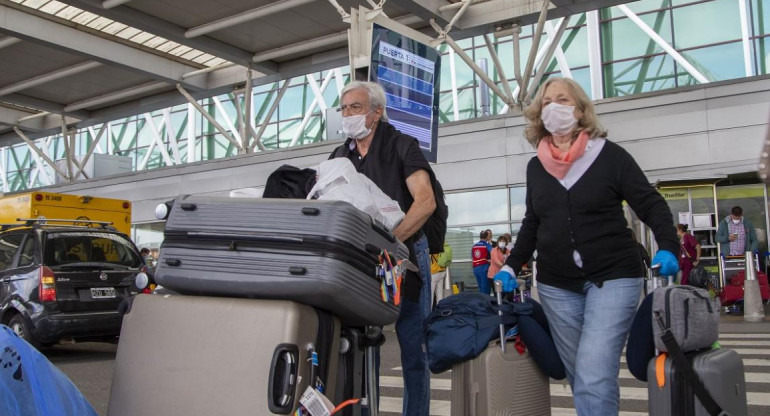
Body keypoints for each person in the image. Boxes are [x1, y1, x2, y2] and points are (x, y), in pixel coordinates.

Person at [492, 77, 679, 416]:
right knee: (582, 375)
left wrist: (668, 245)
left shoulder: (609, 157)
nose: (553, 107)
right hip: (556, 285)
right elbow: (533, 221)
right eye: (546, 102)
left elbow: (650, 204)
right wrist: (510, 264)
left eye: (561, 100)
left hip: (614, 276)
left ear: (579, 111)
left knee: (593, 372)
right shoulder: (537, 166)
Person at [328, 81, 436, 416]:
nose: (348, 115)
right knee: (364, 348)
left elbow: (425, 201)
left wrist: (394, 241)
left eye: (355, 107)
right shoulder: (339, 157)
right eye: (344, 108)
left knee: (412, 347)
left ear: (376, 112)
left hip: (406, 255)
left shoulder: (402, 146)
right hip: (365, 262)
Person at [429, 242, 453, 307]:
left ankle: (429, 313)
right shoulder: (443, 243)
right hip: (442, 271)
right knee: (440, 294)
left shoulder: (432, 245)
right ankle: (440, 311)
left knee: (430, 295)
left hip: (434, 272)